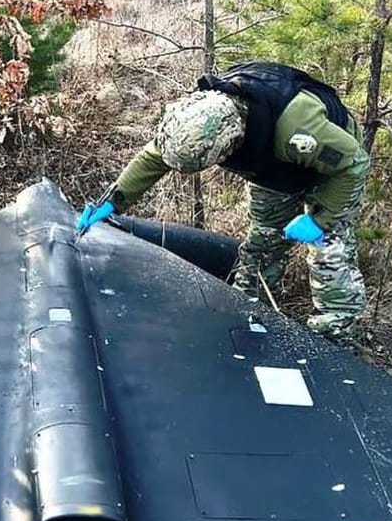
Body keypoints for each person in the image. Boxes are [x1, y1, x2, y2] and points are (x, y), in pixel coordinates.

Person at [78, 62, 369, 339]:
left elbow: (353, 165)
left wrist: (320, 220)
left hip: (334, 171)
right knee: (264, 239)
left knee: (330, 249)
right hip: (275, 170)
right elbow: (154, 158)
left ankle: (336, 329)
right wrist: (114, 201)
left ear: (228, 144)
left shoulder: (297, 129)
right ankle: (253, 311)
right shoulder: (195, 121)